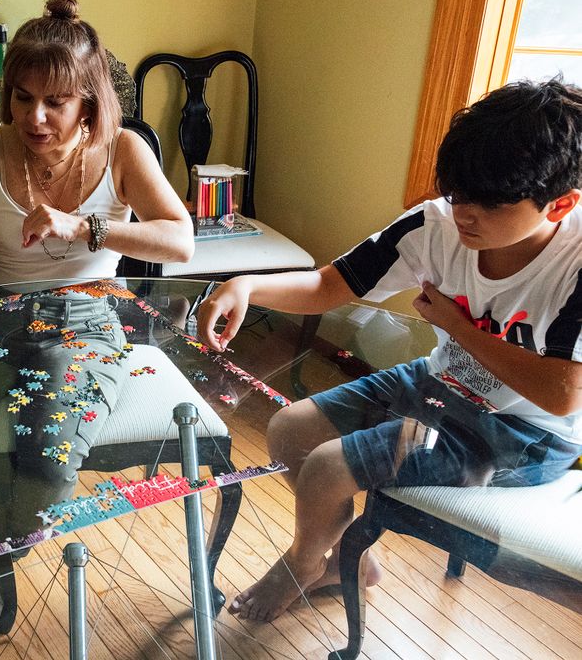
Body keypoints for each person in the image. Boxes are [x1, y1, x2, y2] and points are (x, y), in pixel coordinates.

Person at [195, 79, 582, 622]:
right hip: (440, 383)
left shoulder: (575, 263)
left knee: (330, 468)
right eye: (458, 193)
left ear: (561, 203)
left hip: (523, 433)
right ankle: (348, 562)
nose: (465, 215)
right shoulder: (437, 223)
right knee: (288, 431)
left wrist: (458, 326)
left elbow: (562, 395)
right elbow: (332, 285)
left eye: (489, 205)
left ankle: (304, 564)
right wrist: (247, 284)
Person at [0, 0, 193, 631]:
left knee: (45, 450)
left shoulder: (125, 150)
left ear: (89, 101)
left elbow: (180, 239)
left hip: (85, 317)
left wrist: (88, 228)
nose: (37, 116)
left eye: (56, 101)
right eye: (23, 98)